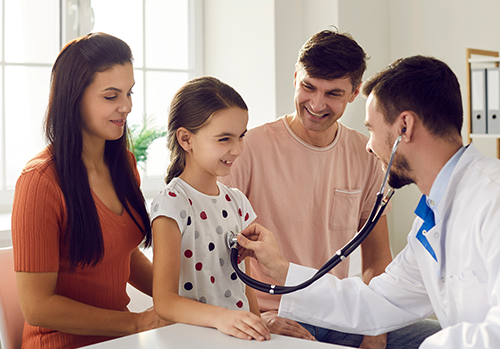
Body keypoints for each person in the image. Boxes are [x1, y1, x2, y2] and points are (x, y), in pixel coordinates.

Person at [236, 55, 500, 349]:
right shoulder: (430, 222)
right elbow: (375, 303)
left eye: (372, 129)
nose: (369, 145)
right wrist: (283, 270)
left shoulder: (492, 200)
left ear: (404, 127)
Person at [220, 28, 440, 348]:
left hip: (339, 314)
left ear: (354, 93)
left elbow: (376, 261)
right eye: (308, 87)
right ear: (295, 77)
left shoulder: (368, 153)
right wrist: (254, 317)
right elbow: (219, 256)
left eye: (333, 93)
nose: (317, 103)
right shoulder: (248, 148)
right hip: (271, 317)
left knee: (448, 337)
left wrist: (374, 330)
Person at [11, 32, 169, 349]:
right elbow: (38, 307)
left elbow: (122, 254)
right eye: (111, 96)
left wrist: (180, 297)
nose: (126, 106)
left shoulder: (123, 164)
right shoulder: (39, 181)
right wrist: (137, 321)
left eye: (129, 93)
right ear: (74, 98)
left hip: (120, 339)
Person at [150, 76, 270, 341]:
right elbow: (165, 302)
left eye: (241, 137)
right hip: (192, 340)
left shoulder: (237, 202)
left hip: (237, 338)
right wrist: (222, 318)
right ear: (186, 139)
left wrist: (258, 329)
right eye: (224, 139)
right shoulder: (172, 203)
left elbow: (245, 285)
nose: (237, 149)